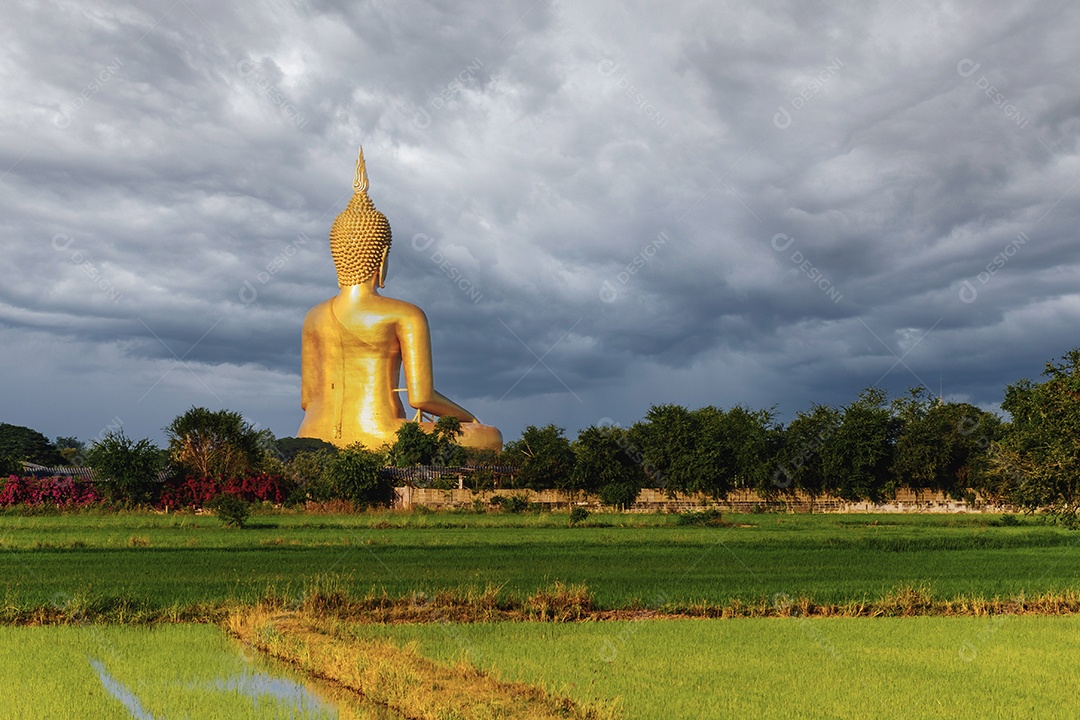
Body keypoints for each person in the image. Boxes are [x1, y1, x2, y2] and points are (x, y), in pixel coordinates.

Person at [297, 148, 502, 451]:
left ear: (337, 257)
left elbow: (306, 400)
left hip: (311, 436)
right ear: (381, 259)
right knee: (490, 436)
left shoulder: (313, 317)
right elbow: (422, 398)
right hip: (381, 435)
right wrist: (468, 418)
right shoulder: (404, 314)